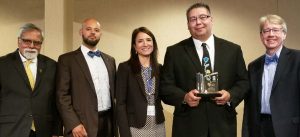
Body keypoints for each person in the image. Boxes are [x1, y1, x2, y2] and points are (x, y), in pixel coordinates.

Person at [159, 2, 249, 137]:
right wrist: (184, 97)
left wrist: (230, 95)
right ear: (188, 24)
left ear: (211, 20)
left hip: (223, 125)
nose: (198, 22)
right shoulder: (174, 52)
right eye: (193, 19)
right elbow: (165, 87)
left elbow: (244, 82)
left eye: (203, 17)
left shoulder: (233, 50)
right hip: (188, 126)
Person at [56, 18, 118, 137]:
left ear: (100, 34)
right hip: (82, 125)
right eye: (88, 29)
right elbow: (61, 96)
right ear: (81, 32)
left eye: (96, 30)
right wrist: (73, 123)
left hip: (108, 123)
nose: (93, 32)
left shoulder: (110, 60)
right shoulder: (67, 60)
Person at [242, 14, 300, 137]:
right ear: (261, 36)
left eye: (276, 30)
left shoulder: (297, 59)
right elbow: (249, 105)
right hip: (259, 129)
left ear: (284, 34)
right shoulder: (253, 66)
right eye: (266, 31)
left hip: (289, 129)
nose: (271, 34)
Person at [0, 23, 62, 137]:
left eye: (37, 42)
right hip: (10, 130)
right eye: (27, 41)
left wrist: (56, 131)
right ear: (19, 41)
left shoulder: (52, 66)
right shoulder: (3, 64)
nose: (32, 46)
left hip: (43, 130)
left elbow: (56, 100)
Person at [116, 27, 166, 137]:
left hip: (158, 125)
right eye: (140, 41)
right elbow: (120, 104)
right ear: (134, 46)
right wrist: (124, 133)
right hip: (136, 126)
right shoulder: (125, 68)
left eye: (148, 40)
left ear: (154, 44)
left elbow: (166, 93)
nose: (145, 44)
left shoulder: (159, 68)